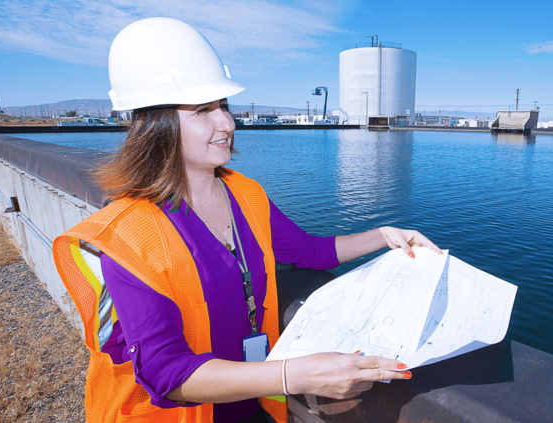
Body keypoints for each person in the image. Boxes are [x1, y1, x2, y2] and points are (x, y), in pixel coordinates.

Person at [52, 17, 441, 423]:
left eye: (224, 106)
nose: (228, 123)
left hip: (248, 406)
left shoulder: (246, 193)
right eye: (204, 110)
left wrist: (384, 234)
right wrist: (294, 374)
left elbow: (309, 251)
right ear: (157, 125)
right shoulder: (128, 235)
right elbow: (164, 371)